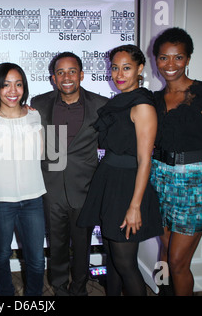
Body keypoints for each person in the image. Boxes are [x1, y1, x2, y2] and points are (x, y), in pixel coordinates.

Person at [150, 27, 202, 296]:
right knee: (164, 251)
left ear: (188, 59)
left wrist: (191, 158)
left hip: (195, 184)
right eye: (164, 58)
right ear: (156, 60)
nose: (170, 64)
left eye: (178, 57)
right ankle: (163, 292)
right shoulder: (153, 100)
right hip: (160, 180)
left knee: (178, 262)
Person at [77, 44, 163, 296]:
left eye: (126, 68)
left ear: (140, 68)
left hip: (128, 186)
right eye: (115, 68)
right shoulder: (122, 102)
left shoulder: (142, 106)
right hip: (110, 180)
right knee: (113, 257)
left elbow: (145, 159)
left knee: (125, 262)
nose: (119, 74)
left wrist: (135, 206)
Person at [30, 52, 108, 296]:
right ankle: (59, 286)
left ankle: (79, 287)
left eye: (72, 71)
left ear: (81, 75)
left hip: (85, 188)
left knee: (83, 245)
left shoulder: (101, 105)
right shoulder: (39, 103)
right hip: (50, 187)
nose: (66, 77)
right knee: (57, 243)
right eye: (60, 72)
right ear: (53, 78)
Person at [0, 63, 46, 296]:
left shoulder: (34, 114)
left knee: (37, 258)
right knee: (1, 254)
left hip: (33, 198)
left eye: (18, 84)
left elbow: (41, 154)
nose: (13, 90)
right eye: (6, 84)